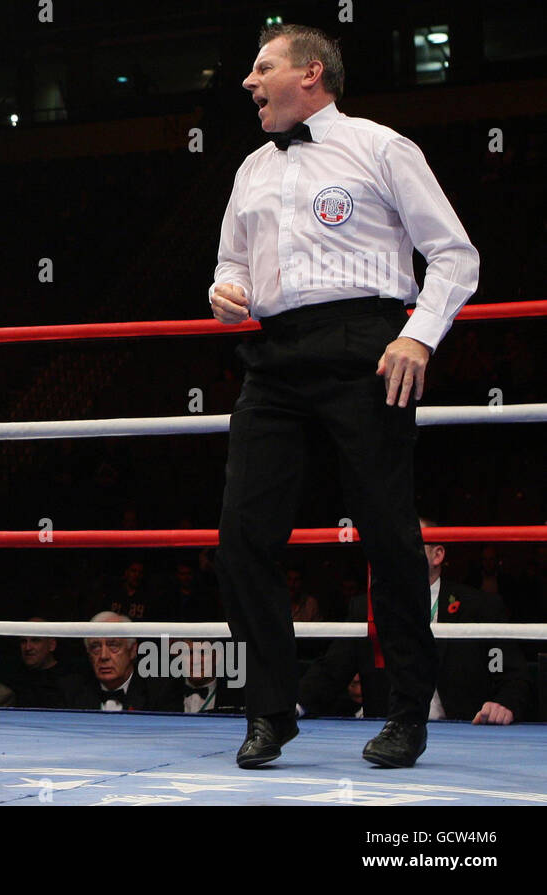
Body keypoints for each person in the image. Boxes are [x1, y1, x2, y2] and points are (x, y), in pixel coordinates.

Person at [210, 24, 478, 768]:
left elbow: (455, 253)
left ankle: (407, 715)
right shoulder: (250, 169)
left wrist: (419, 335)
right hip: (273, 358)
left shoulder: (380, 146)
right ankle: (270, 709)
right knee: (241, 539)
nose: (248, 81)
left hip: (368, 347)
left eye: (262, 66)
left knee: (390, 536)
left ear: (312, 73)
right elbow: (231, 261)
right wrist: (224, 290)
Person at [299, 519, 533, 723]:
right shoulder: (368, 608)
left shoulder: (479, 608)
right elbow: (330, 671)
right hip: (387, 733)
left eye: (409, 544)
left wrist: (504, 705)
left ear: (437, 555)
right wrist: (294, 705)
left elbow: (513, 676)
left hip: (463, 734)